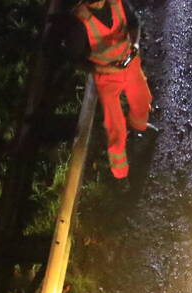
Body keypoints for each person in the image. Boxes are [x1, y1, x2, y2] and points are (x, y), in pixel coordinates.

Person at [66, 0, 157, 186]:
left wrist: (135, 45)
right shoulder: (80, 22)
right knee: (114, 126)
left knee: (142, 99)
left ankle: (139, 129)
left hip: (130, 65)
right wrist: (101, 69)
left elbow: (134, 23)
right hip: (107, 77)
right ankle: (120, 174)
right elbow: (76, 58)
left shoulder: (117, 3)